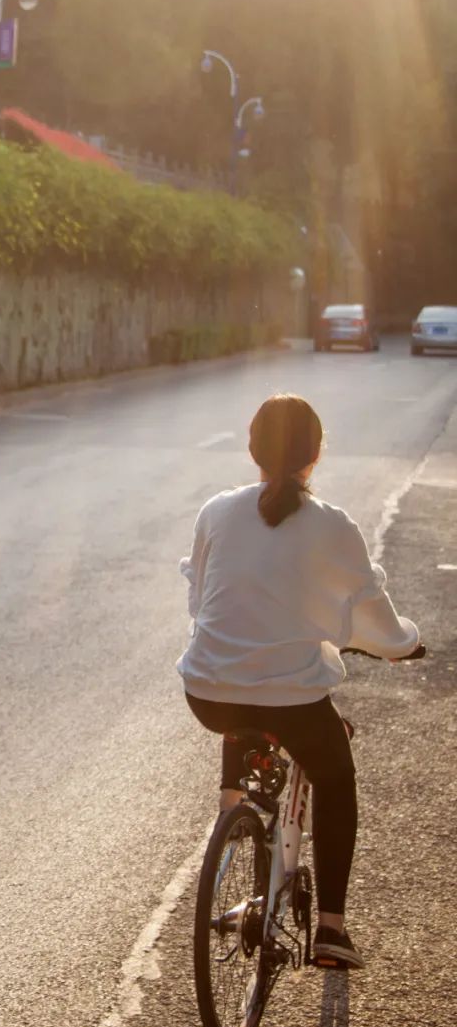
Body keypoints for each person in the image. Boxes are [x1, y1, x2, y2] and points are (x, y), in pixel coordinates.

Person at [178, 393, 421, 970]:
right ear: (315, 455)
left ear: (252, 449)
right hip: (291, 700)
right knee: (335, 774)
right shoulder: (333, 524)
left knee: (241, 697)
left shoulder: (215, 510)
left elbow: (200, 598)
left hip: (206, 693)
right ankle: (332, 928)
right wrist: (404, 646)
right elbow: (378, 620)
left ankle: (230, 815)